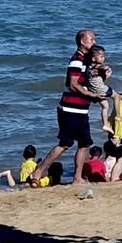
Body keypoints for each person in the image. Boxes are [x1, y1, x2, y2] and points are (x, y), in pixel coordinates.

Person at [39, 29, 108, 186]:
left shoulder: (85, 60)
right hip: (70, 109)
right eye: (91, 39)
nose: (94, 42)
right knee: (65, 143)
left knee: (85, 143)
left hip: (81, 110)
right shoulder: (77, 59)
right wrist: (92, 95)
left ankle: (77, 177)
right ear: (82, 41)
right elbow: (73, 83)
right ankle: (39, 171)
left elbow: (93, 72)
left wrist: (104, 70)